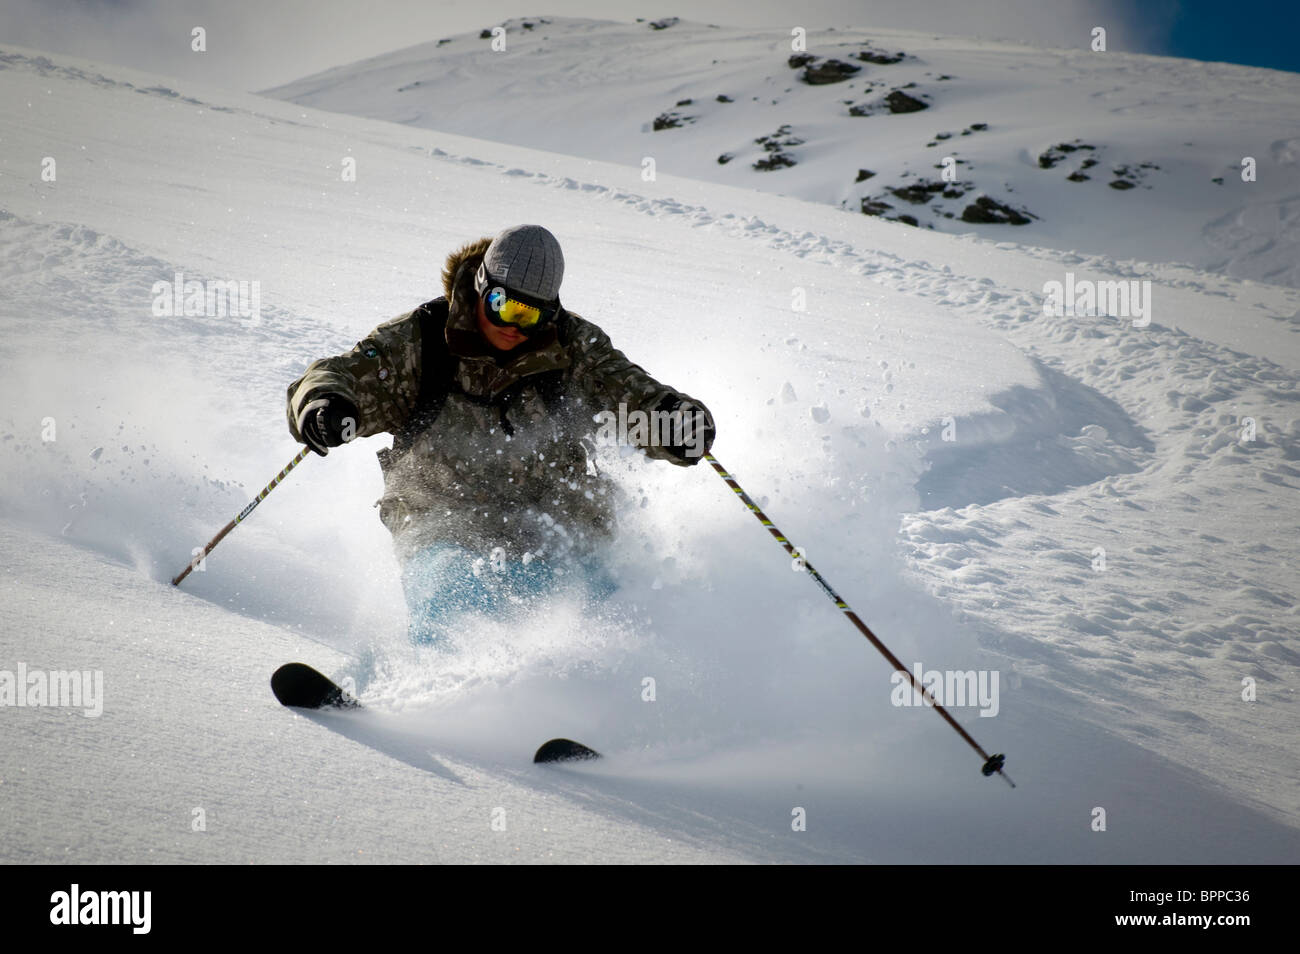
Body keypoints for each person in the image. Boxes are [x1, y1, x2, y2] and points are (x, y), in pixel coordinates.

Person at [285, 225, 715, 647]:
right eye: (501, 305)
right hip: (441, 514)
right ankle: (442, 694)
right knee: (453, 595)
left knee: (596, 606)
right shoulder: (423, 341)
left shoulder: (571, 347)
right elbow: (340, 376)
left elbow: (629, 394)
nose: (514, 326)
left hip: (555, 516)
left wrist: (674, 422)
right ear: (480, 286)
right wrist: (324, 405)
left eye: (530, 315)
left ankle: (601, 695)